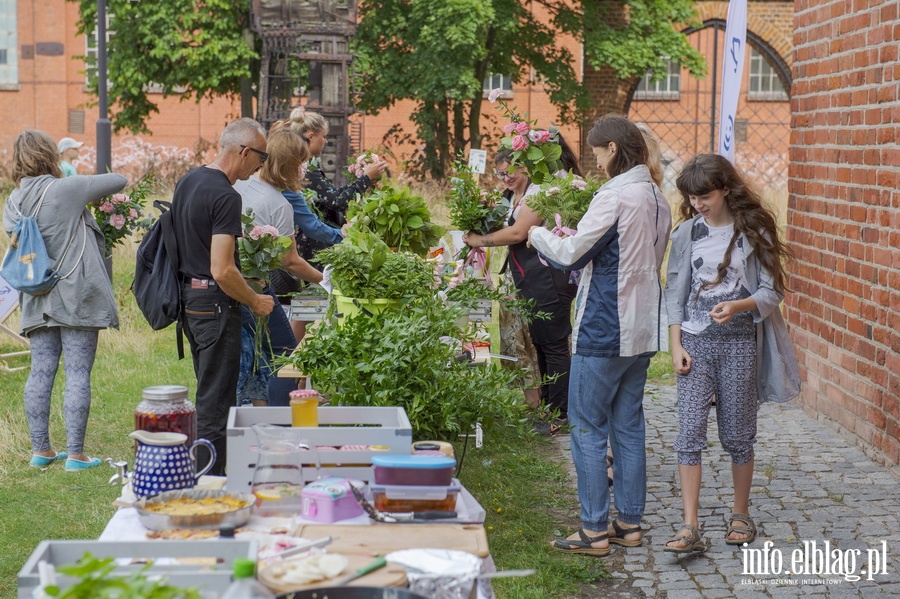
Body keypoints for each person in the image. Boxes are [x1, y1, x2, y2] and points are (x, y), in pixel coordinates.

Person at [528, 114, 672, 555]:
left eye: (596, 153)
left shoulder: (616, 196)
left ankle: (592, 529)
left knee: (588, 428)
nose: (595, 162)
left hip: (605, 326)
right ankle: (629, 524)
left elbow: (572, 253)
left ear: (612, 150)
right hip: (644, 326)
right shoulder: (657, 197)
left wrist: (535, 233)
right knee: (628, 426)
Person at [663, 153, 798, 553]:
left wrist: (738, 306)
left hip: (740, 343)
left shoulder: (754, 231)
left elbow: (773, 292)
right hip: (695, 343)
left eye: (705, 195)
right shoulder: (687, 233)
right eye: (692, 196)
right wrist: (675, 343)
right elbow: (675, 292)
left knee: (739, 435)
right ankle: (690, 526)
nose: (698, 203)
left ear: (725, 189)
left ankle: (741, 513)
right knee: (688, 434)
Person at [3, 130, 126, 471]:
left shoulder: (12, 203)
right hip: (76, 294)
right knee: (76, 373)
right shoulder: (67, 189)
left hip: (36, 295)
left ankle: (40, 450)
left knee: (40, 370)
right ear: (50, 155)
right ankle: (76, 454)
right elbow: (120, 179)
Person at [172, 118, 276, 476]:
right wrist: (254, 300)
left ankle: (204, 473)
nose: (261, 165)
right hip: (216, 307)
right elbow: (222, 269)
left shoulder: (188, 181)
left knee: (208, 395)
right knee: (216, 404)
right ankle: (210, 486)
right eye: (260, 156)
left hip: (191, 303)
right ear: (245, 151)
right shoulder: (226, 195)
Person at [464, 141, 579, 429]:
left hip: (549, 275)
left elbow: (518, 232)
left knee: (553, 344)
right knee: (540, 342)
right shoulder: (508, 196)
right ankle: (548, 409)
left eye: (511, 172)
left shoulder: (538, 192)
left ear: (525, 167)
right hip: (528, 275)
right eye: (501, 174)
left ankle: (561, 413)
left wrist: (479, 240)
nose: (507, 178)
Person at [233, 128, 324, 407]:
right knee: (283, 351)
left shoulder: (240, 184)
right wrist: (327, 279)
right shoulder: (278, 204)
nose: (304, 169)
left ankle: (259, 410)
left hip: (229, 283)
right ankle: (281, 416)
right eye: (301, 163)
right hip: (255, 288)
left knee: (255, 353)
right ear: (290, 166)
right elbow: (291, 261)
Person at [281, 108, 388, 339]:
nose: (326, 141)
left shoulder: (305, 168)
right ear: (310, 136)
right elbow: (336, 201)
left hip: (314, 239)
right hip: (311, 245)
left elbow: (329, 200)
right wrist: (365, 178)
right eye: (323, 136)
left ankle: (295, 358)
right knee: (312, 302)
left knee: (307, 305)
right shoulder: (305, 169)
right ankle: (297, 358)